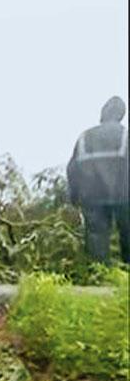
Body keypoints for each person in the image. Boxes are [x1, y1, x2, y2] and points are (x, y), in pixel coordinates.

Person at [66, 96, 129, 264]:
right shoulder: (125, 135)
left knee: (96, 239)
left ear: (103, 113)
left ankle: (99, 279)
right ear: (121, 114)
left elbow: (72, 168)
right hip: (123, 194)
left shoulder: (84, 137)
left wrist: (73, 196)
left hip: (91, 195)